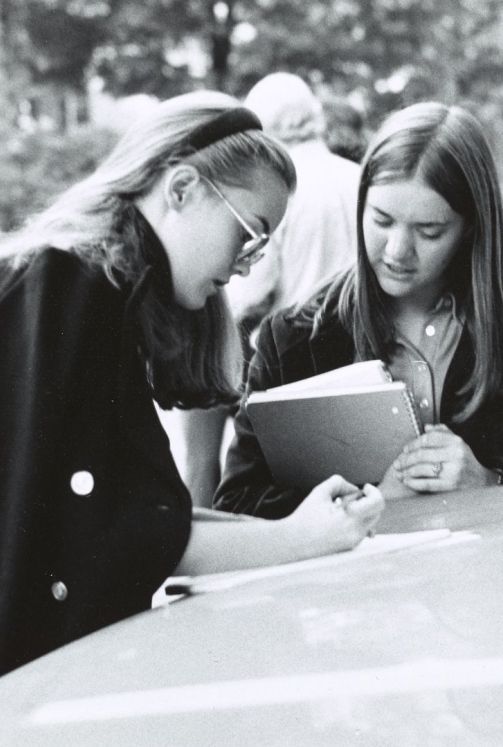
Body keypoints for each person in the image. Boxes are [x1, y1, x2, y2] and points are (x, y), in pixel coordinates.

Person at [0, 92, 383, 747]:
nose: (250, 261)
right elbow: (120, 530)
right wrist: (298, 539)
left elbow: (131, 512)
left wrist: (292, 527)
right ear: (182, 187)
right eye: (249, 231)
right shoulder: (64, 291)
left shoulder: (74, 285)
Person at [213, 102, 503, 519]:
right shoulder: (295, 337)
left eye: (429, 231)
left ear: (472, 228)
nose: (397, 252)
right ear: (361, 206)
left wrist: (490, 482)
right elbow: (237, 506)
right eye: (382, 221)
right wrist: (366, 501)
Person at [180, 73, 361, 507]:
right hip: (347, 355)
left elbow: (250, 295)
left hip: (275, 361)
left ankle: (199, 530)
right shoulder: (357, 178)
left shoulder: (270, 189)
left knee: (197, 404)